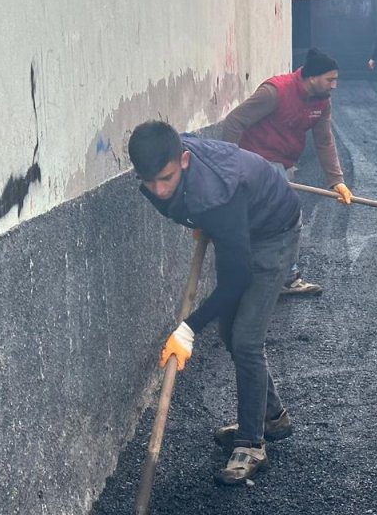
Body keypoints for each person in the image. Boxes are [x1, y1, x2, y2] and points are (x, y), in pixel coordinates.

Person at [128, 120, 301, 486]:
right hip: (235, 223)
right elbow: (192, 193)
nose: (159, 190)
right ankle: (271, 417)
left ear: (184, 161)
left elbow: (237, 279)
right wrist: (197, 215)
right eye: (149, 181)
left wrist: (187, 329)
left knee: (247, 340)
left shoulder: (216, 197)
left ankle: (251, 443)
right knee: (228, 331)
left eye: (167, 179)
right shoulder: (174, 165)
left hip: (274, 232)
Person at [221, 48, 354, 295]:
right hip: (257, 160)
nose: (334, 85)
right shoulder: (275, 92)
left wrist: (337, 181)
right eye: (330, 79)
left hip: (283, 162)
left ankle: (273, 277)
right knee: (289, 217)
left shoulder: (322, 101)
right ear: (312, 78)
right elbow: (234, 122)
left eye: (335, 79)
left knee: (273, 220)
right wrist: (228, 165)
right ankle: (284, 278)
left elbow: (324, 140)